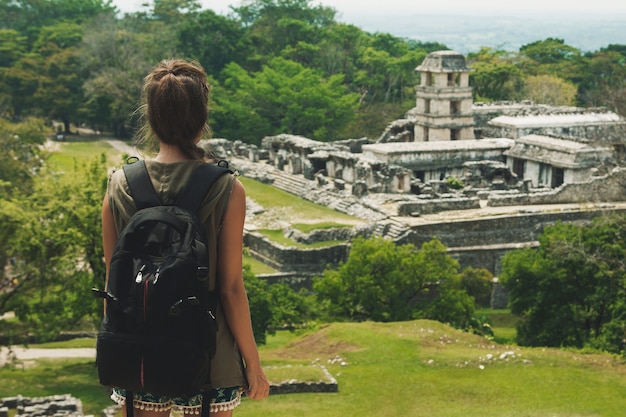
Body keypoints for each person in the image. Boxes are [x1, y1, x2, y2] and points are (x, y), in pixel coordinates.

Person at [101, 58, 270, 417]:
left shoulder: (119, 184)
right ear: (201, 116)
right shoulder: (226, 188)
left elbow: (113, 281)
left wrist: (119, 349)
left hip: (140, 349)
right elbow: (230, 287)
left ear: (151, 116)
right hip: (209, 355)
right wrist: (252, 364)